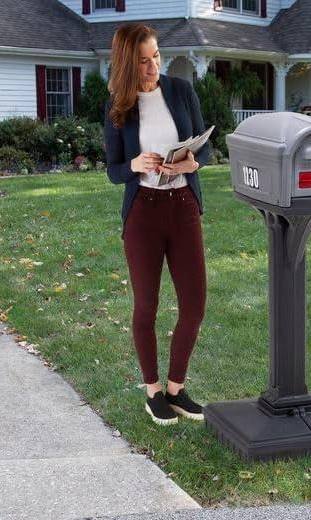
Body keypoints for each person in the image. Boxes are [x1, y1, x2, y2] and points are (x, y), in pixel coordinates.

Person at [103, 22, 211, 426]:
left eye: (157, 58)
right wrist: (134, 164)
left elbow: (207, 147)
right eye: (144, 62)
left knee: (195, 305)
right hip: (143, 212)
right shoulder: (119, 103)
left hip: (183, 205)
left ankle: (176, 389)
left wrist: (190, 162)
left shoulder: (180, 90)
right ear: (128, 64)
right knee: (146, 305)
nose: (152, 67)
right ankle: (153, 393)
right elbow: (113, 170)